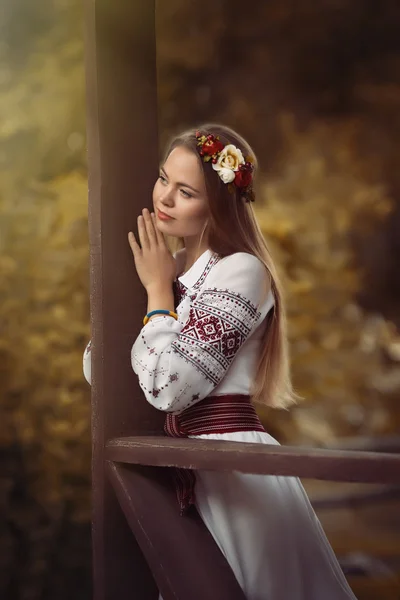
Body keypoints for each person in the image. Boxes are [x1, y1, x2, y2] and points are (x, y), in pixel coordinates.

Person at [83, 124, 357, 599]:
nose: (164, 198)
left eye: (185, 191)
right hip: (175, 467)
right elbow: (97, 371)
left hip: (233, 472)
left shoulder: (241, 270)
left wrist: (154, 294)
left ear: (219, 203)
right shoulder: (168, 269)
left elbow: (169, 387)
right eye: (163, 178)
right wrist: (152, 287)